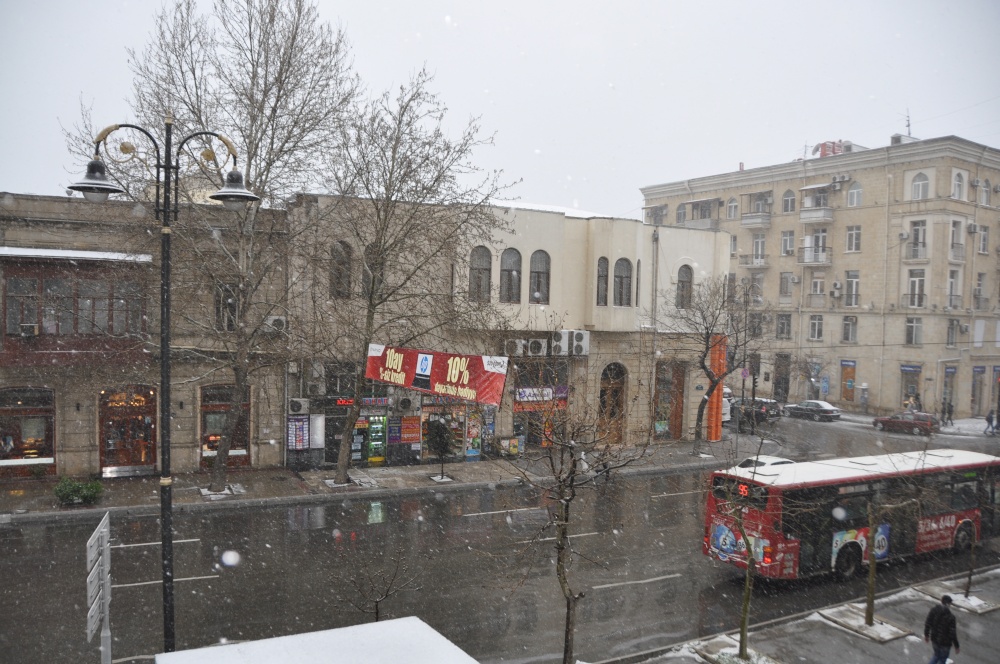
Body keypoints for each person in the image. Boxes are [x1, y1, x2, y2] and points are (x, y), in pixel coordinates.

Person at [924, 594, 960, 664]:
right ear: (949, 604)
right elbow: (952, 633)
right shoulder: (951, 617)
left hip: (934, 639)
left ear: (941, 601)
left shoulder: (933, 610)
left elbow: (928, 623)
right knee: (942, 660)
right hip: (945, 643)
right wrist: (956, 646)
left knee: (936, 655)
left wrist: (926, 635)